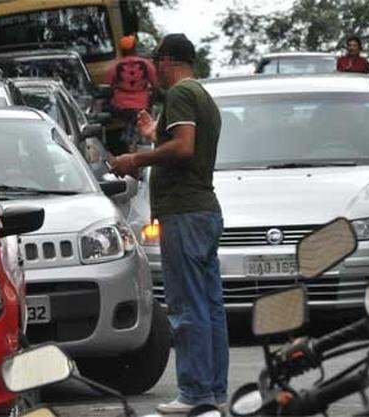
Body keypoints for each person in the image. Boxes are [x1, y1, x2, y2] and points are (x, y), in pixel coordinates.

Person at [110, 33, 228, 414]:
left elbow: (184, 147)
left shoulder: (179, 94)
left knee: (187, 305)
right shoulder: (202, 96)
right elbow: (180, 140)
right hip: (203, 211)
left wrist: (136, 159)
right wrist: (154, 134)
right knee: (209, 306)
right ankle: (212, 390)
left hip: (184, 211)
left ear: (167, 62)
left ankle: (194, 393)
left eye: (156, 63)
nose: (153, 73)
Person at [105, 35, 157, 154]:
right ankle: (140, 153)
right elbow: (155, 86)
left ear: (121, 50)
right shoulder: (146, 64)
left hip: (121, 108)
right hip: (142, 106)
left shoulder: (115, 66)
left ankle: (129, 151)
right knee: (142, 134)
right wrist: (150, 104)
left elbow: (108, 88)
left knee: (128, 133)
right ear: (134, 48)